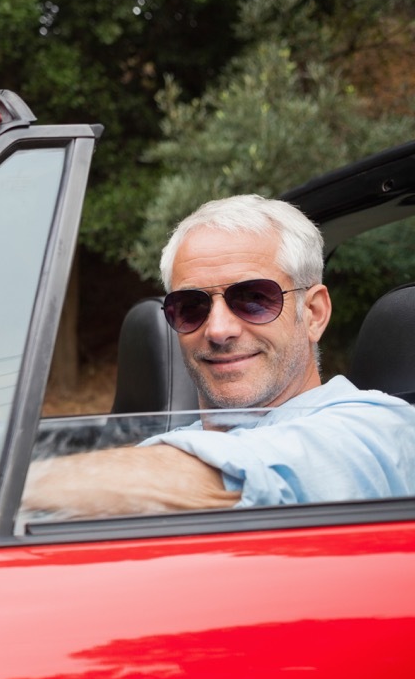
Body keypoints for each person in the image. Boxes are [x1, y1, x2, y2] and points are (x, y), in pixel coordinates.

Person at [21, 194, 415, 516]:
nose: (218, 329)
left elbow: (220, 479)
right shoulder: (167, 450)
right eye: (191, 306)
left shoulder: (374, 427)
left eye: (253, 300)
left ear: (312, 314)